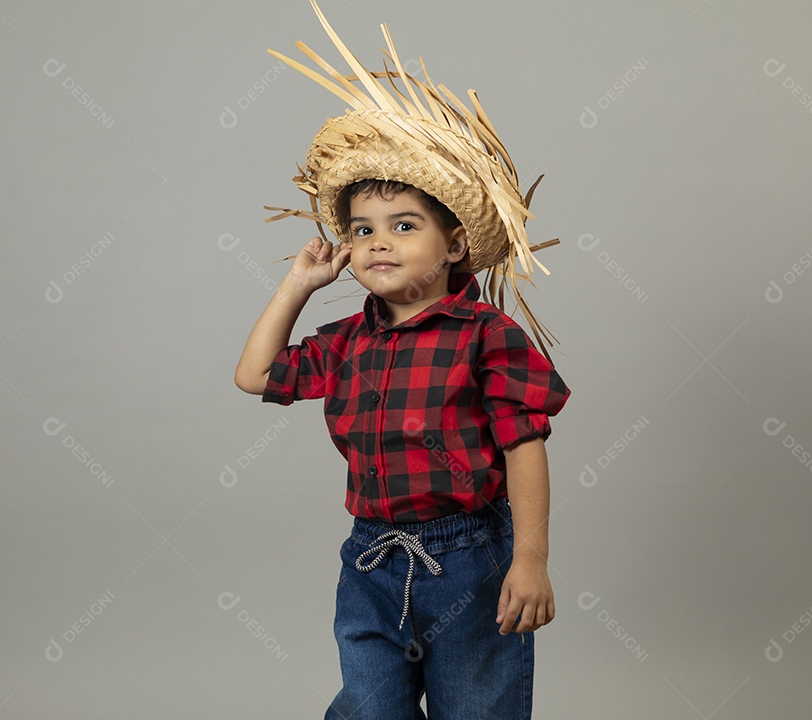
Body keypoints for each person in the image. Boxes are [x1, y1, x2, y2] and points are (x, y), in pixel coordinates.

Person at [235, 3, 571, 717]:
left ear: (453, 246)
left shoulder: (485, 335)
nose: (378, 242)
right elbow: (256, 376)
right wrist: (298, 284)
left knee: (477, 706)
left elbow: (525, 446)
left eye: (404, 225)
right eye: (362, 229)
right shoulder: (349, 342)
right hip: (370, 561)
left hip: (470, 559)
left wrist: (530, 558)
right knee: (369, 706)